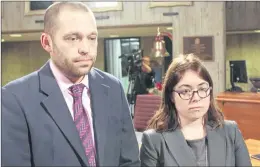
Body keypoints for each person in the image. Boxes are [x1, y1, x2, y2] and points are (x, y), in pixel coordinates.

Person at [2, 2, 140, 166]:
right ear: (47, 42)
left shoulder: (113, 87)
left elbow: (129, 161)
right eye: (73, 38)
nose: (85, 48)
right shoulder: (14, 98)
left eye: (92, 38)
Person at [140, 54, 252, 166]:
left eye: (202, 89)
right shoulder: (153, 141)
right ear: (171, 96)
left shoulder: (231, 132)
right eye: (185, 91)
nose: (196, 98)